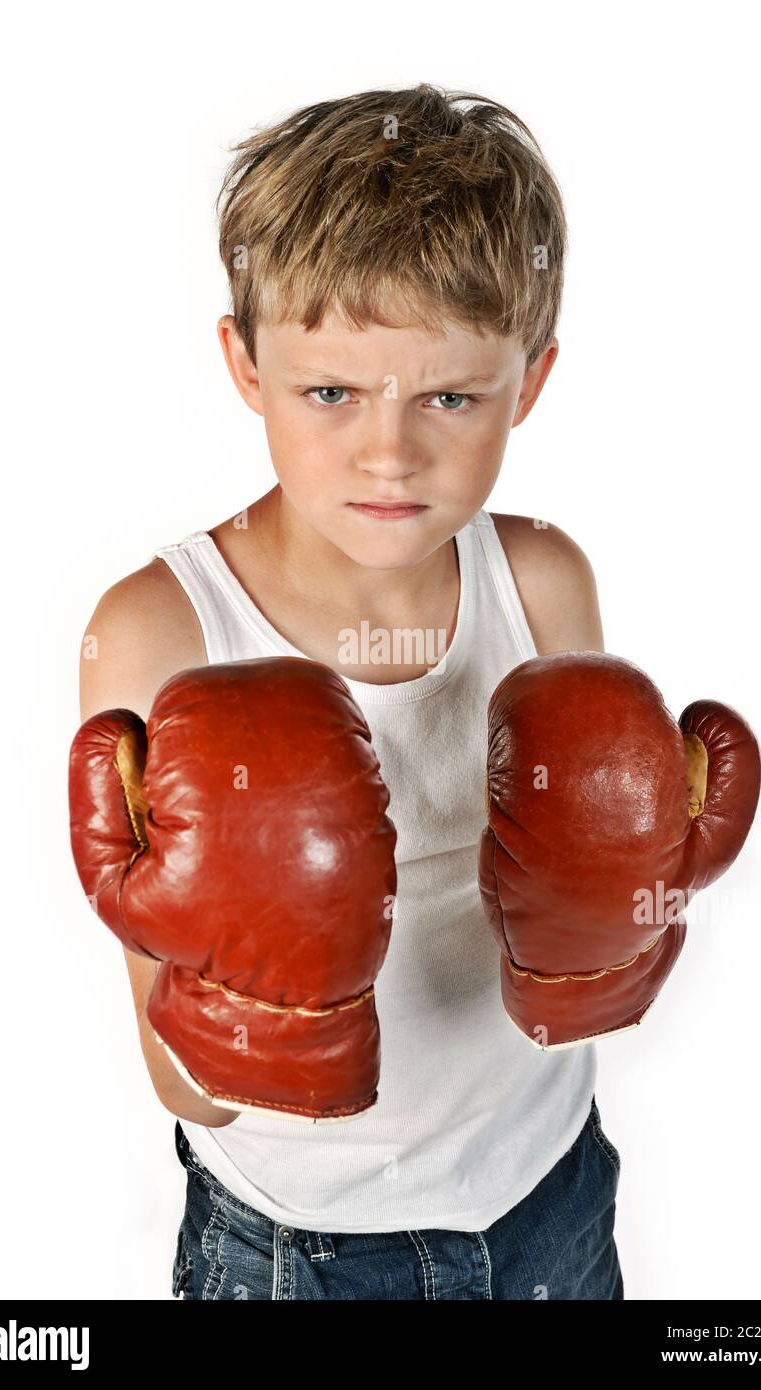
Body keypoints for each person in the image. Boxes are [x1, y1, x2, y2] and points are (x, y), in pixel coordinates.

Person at [78, 82, 623, 1301]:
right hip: (296, 1250)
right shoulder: (163, 631)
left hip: (552, 1193)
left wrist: (621, 910)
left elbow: (591, 939)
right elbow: (180, 1077)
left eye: (449, 396)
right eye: (332, 392)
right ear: (244, 362)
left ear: (526, 383)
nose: (390, 452)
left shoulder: (537, 583)